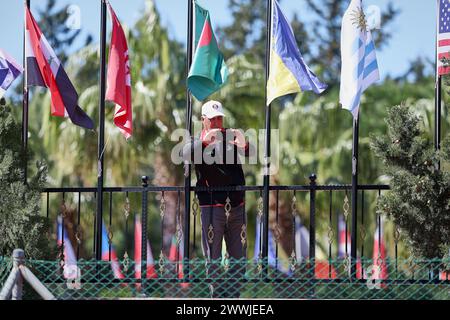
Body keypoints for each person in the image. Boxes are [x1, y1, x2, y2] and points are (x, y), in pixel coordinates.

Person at [182, 100, 254, 298]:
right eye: (212, 119)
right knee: (212, 258)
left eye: (219, 118)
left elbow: (253, 154)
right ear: (203, 120)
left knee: (239, 257)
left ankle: (233, 298)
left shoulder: (230, 136)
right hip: (212, 206)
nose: (217, 123)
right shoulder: (197, 140)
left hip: (236, 205)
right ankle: (218, 296)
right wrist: (205, 142)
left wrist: (244, 144)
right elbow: (184, 154)